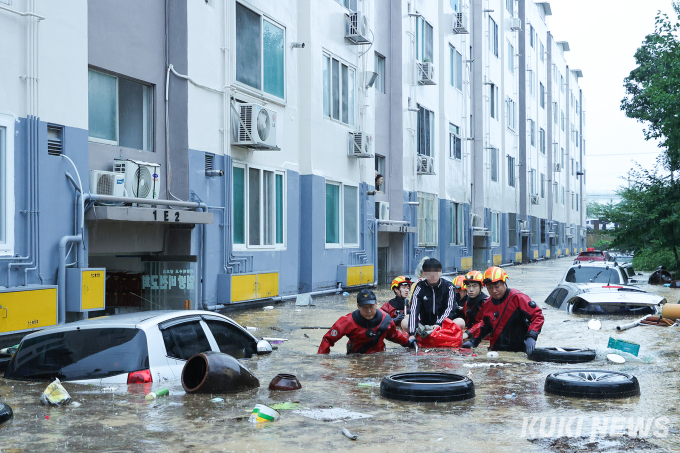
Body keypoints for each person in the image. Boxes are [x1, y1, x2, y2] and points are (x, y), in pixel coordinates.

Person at [462, 266, 544, 354]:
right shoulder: (488, 304)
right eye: (490, 288)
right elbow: (486, 326)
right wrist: (474, 341)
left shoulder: (518, 298)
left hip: (519, 350)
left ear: (504, 283)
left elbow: (538, 316)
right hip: (496, 351)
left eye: (497, 287)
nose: (494, 291)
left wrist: (531, 336)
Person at [318, 289, 414, 354]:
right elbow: (327, 339)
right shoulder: (347, 321)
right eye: (364, 307)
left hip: (379, 356)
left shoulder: (386, 319)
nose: (368, 311)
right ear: (358, 306)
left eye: (371, 307)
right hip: (355, 356)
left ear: (376, 304)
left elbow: (395, 335)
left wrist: (409, 343)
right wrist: (323, 361)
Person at [407, 258, 465, 342]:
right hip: (424, 325)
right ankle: (419, 336)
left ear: (440, 272)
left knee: (460, 322)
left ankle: (443, 336)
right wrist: (412, 334)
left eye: (435, 272)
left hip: (443, 324)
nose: (433, 275)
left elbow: (449, 308)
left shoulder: (448, 287)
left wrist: (439, 323)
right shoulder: (419, 287)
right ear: (424, 273)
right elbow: (414, 310)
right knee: (405, 322)